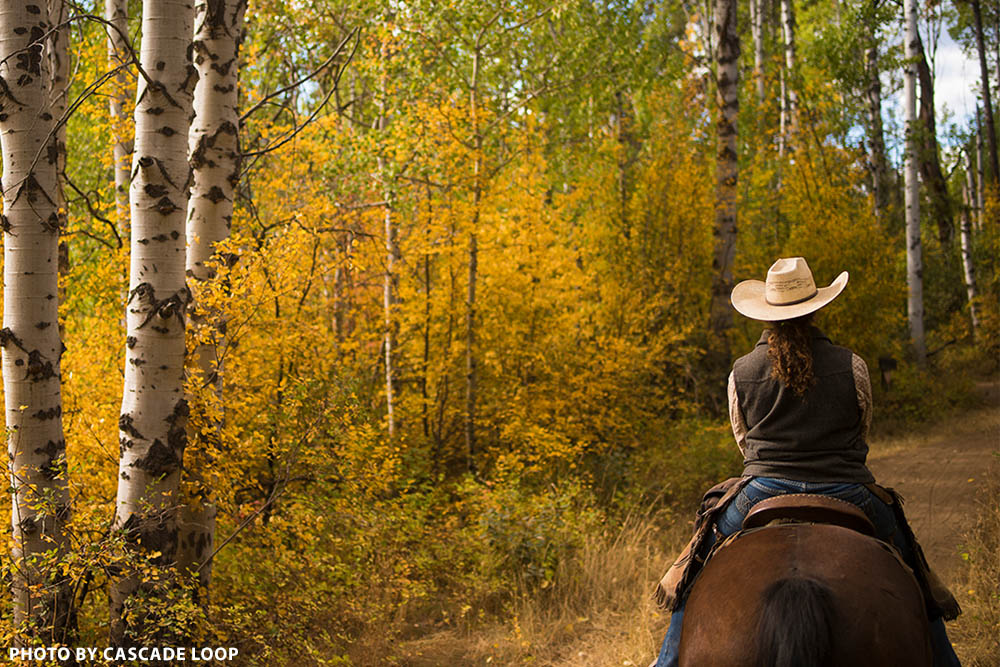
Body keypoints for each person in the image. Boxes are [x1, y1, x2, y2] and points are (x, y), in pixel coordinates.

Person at [653, 257, 961, 667]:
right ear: (816, 308)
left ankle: (668, 659)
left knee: (694, 567)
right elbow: (861, 427)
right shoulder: (852, 364)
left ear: (767, 314)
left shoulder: (741, 370)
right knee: (911, 563)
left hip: (760, 490)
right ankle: (944, 659)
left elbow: (744, 440)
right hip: (849, 488)